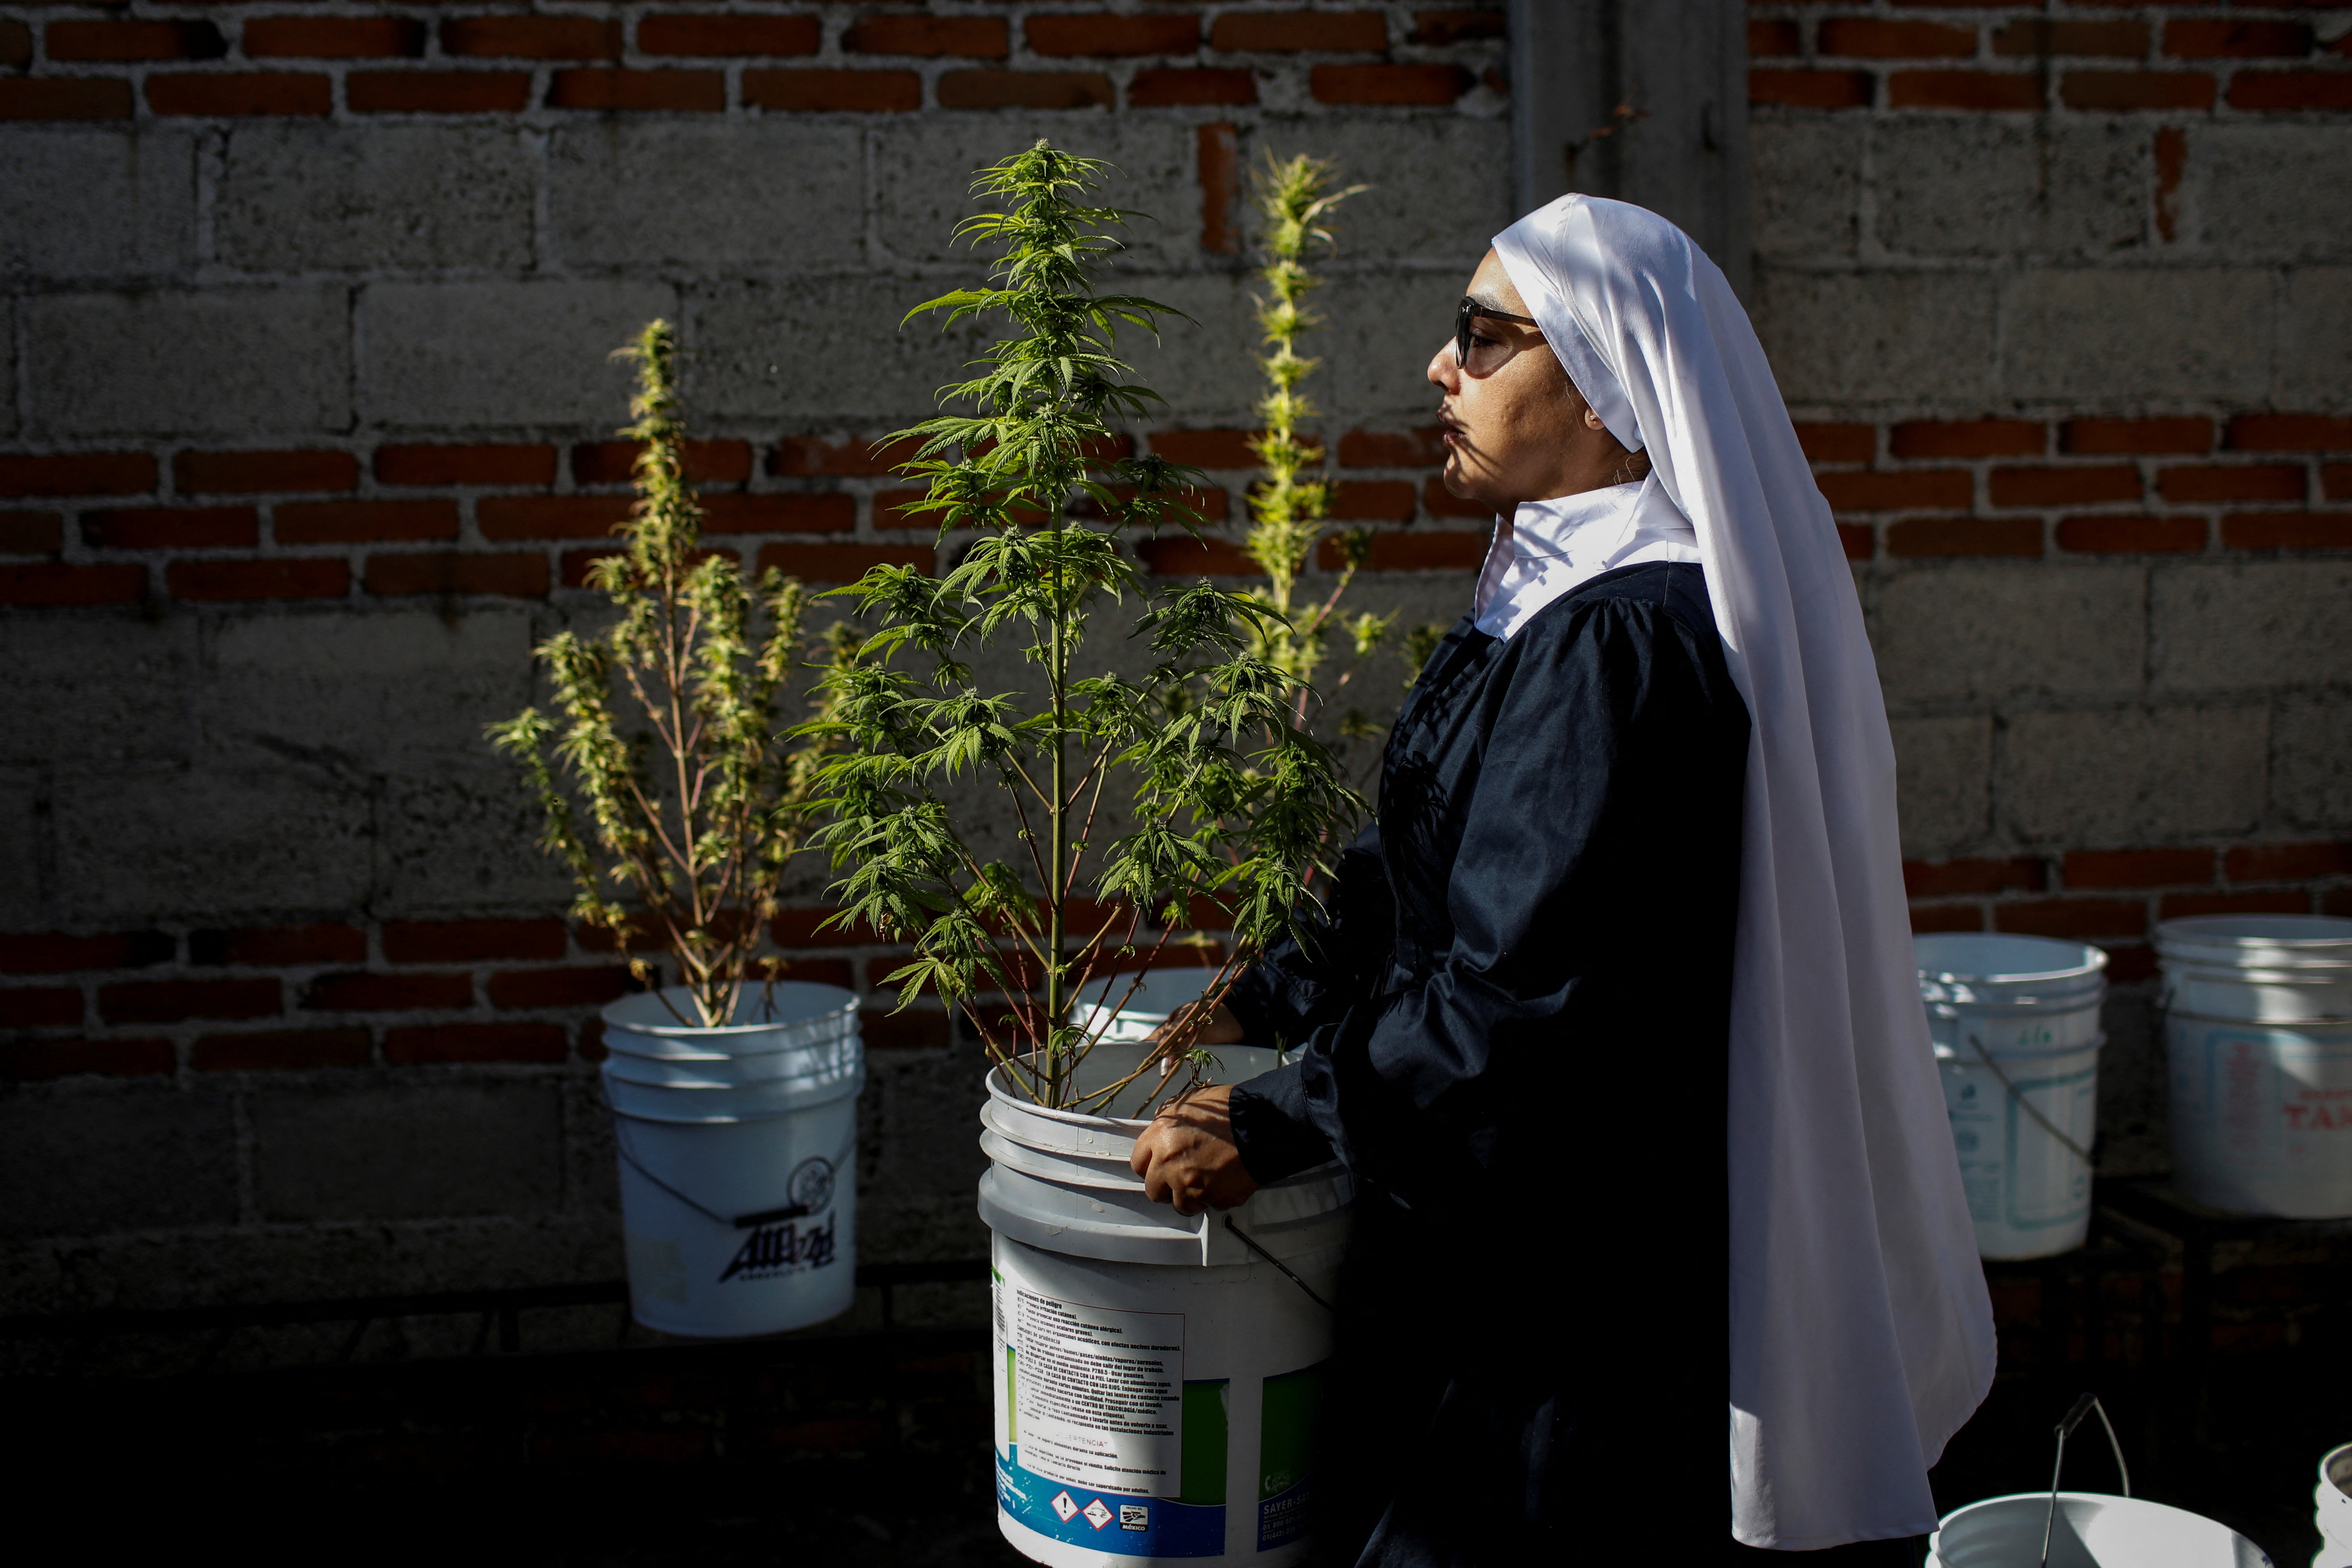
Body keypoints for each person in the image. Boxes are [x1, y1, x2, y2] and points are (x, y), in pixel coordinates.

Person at [1128, 195, 1996, 1563]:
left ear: (1602, 389)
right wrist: (1261, 993)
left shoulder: (1619, 646)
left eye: (1484, 336)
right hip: (1486, 1220)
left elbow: (1520, 990)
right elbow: (1421, 858)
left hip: (1561, 1284)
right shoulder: (1546, 598)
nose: (1440, 366)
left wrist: (1281, 1117)